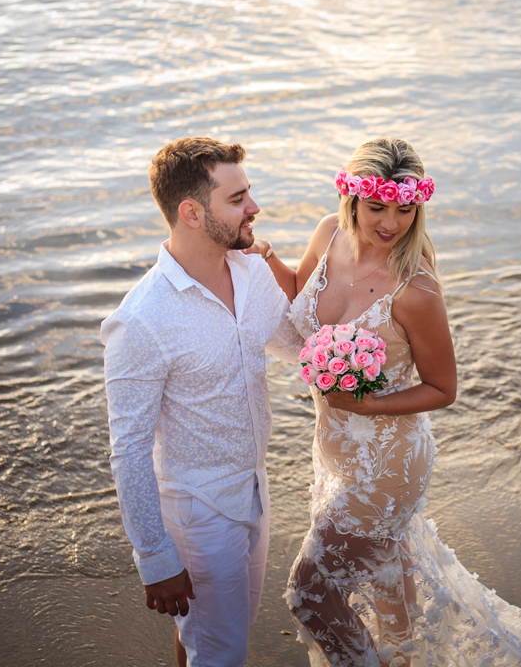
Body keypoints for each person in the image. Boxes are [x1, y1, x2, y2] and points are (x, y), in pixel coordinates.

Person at [260, 137, 521, 667]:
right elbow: (300, 299)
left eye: (405, 209)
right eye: (377, 207)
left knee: (310, 595)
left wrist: (367, 407)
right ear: (351, 199)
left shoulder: (416, 290)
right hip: (333, 450)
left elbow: (444, 388)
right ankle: (404, 658)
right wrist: (263, 258)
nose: (391, 223)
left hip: (389, 463)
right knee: (386, 578)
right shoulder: (329, 235)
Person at [101, 137, 302, 667]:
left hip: (256, 487)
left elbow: (298, 347)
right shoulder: (142, 320)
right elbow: (129, 449)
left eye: (248, 194)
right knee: (221, 651)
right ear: (191, 212)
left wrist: (370, 338)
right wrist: (155, 557)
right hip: (199, 512)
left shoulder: (252, 271)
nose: (254, 208)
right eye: (237, 199)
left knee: (214, 637)